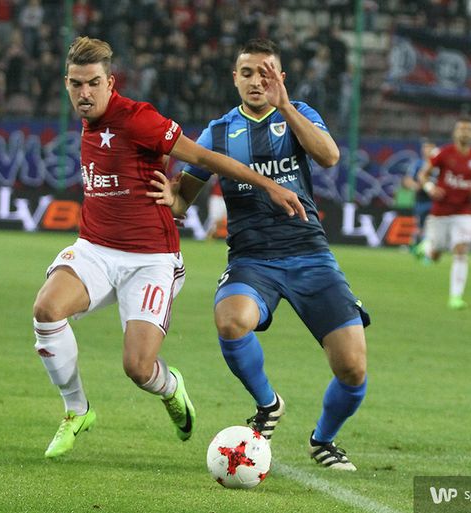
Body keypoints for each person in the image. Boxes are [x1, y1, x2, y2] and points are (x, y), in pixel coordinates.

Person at [32, 36, 306, 459]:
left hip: (150, 259)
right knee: (46, 310)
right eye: (76, 84)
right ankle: (77, 410)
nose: (84, 93)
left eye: (93, 83)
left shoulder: (138, 118)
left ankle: (171, 388)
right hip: (94, 249)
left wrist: (267, 184)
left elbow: (204, 157)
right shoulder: (89, 121)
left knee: (138, 368)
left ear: (110, 83)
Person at [150, 39, 369, 471]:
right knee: (230, 320)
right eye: (247, 73)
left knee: (353, 368)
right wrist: (166, 196)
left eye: (265, 73)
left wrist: (284, 105)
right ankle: (268, 404)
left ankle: (323, 440)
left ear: (280, 79)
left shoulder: (299, 114)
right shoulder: (217, 132)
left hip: (310, 255)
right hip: (252, 260)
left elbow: (329, 156)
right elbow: (183, 200)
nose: (256, 81)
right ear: (235, 78)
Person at [417, 118, 471, 310]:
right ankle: (427, 248)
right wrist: (430, 188)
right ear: (455, 133)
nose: (464, 132)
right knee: (436, 254)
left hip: (464, 212)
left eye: (468, 129)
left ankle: (456, 297)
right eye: (461, 129)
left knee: (461, 249)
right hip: (440, 211)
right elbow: (423, 175)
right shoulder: (443, 153)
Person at [406, 139, 437, 262]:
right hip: (421, 200)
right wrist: (416, 186)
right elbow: (407, 180)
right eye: (424, 147)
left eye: (429, 147)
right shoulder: (417, 164)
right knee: (419, 227)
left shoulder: (438, 164)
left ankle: (427, 251)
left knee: (431, 226)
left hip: (435, 201)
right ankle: (414, 247)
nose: (426, 150)